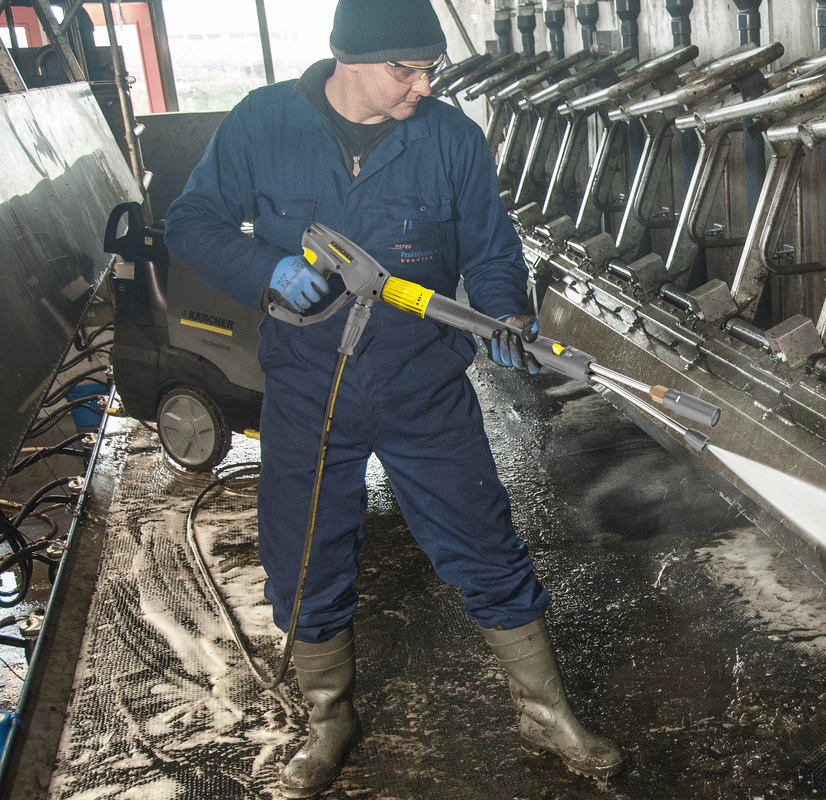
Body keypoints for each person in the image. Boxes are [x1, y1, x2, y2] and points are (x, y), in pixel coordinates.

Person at [164, 0, 622, 795]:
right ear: (347, 58)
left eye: (430, 68)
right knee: (304, 555)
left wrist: (506, 311)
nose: (422, 85)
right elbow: (191, 221)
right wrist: (264, 270)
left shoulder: (448, 137)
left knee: (485, 540)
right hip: (308, 384)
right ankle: (329, 720)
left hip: (424, 383)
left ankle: (546, 714)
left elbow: (489, 244)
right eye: (403, 70)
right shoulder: (262, 123)